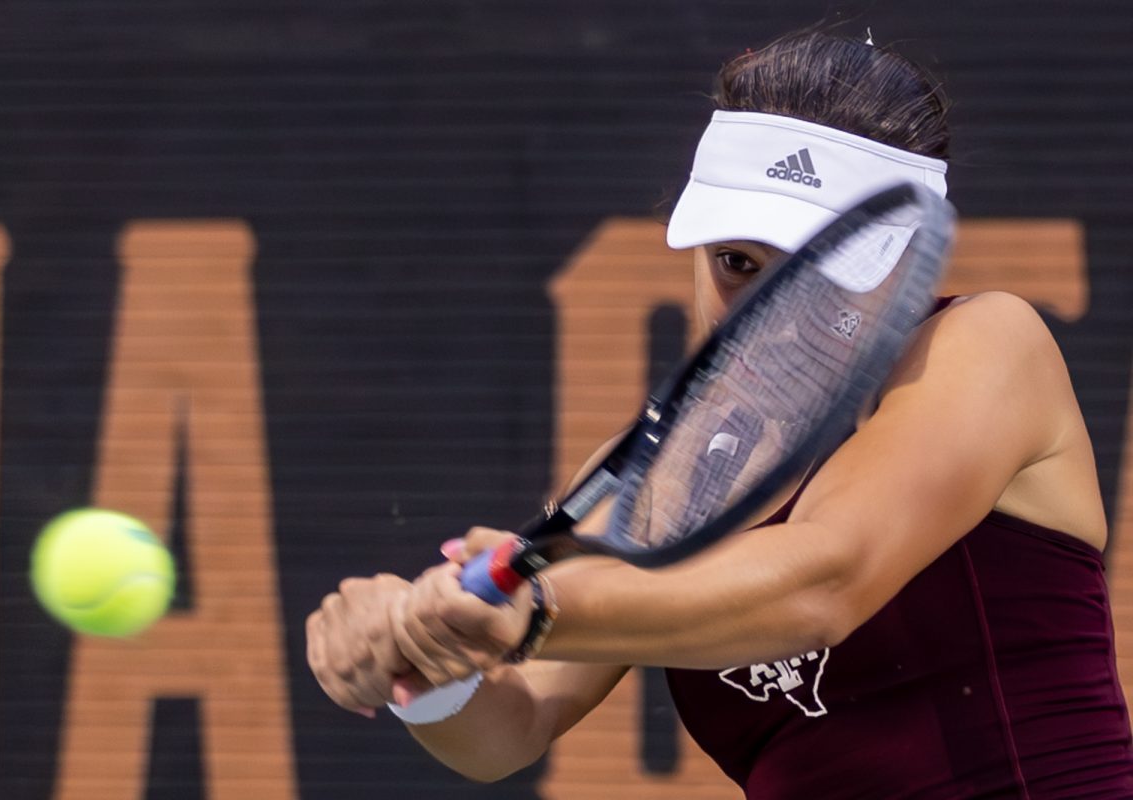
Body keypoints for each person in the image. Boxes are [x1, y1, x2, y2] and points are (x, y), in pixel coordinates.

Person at [307, 28, 1133, 797]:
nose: (768, 312)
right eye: (738, 263)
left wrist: (533, 615)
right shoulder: (653, 475)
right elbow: (513, 725)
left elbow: (825, 581)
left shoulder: (988, 345)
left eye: (823, 271)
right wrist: (420, 662)